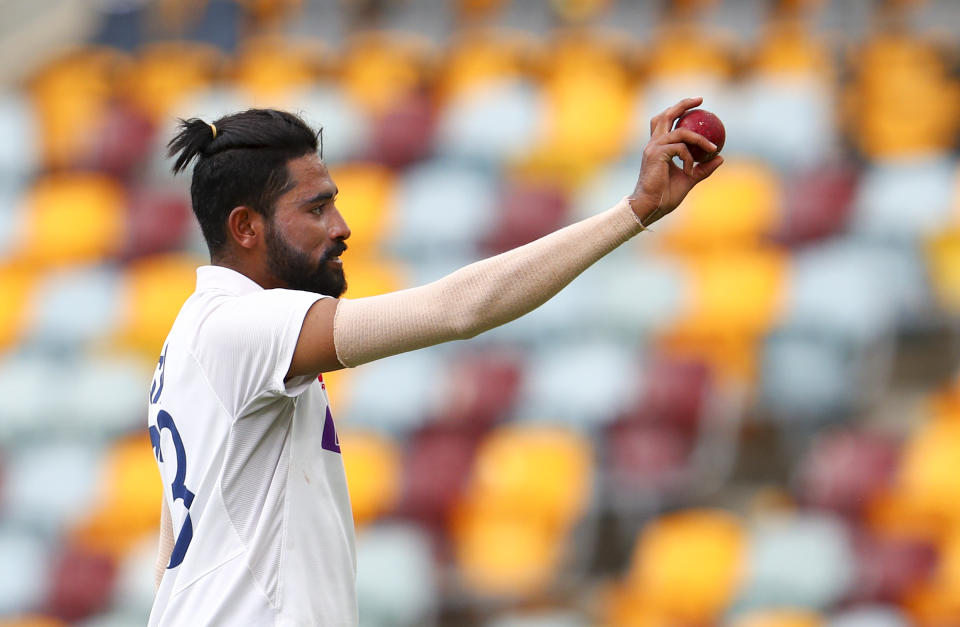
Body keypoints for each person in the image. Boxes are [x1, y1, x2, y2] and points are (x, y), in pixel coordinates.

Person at [147, 98, 722, 626]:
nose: (341, 227)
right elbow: (459, 309)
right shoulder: (243, 327)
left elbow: (173, 552)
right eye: (316, 208)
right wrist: (636, 211)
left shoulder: (193, 342)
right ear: (245, 227)